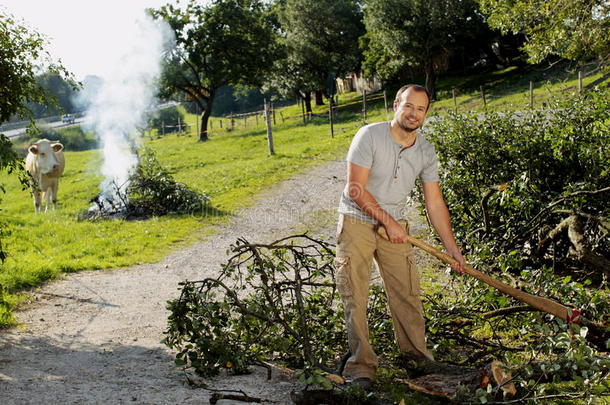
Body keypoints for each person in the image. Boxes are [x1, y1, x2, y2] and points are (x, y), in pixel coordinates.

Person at [335, 84, 465, 389]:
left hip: (394, 229)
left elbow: (434, 203)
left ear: (426, 114)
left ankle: (417, 360)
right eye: (408, 106)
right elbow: (355, 189)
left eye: (421, 109)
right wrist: (387, 221)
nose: (414, 113)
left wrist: (453, 250)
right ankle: (362, 369)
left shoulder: (425, 150)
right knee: (356, 296)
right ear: (395, 106)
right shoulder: (370, 135)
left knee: (407, 292)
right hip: (357, 221)